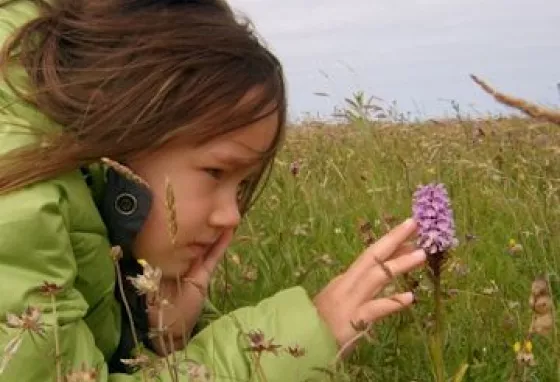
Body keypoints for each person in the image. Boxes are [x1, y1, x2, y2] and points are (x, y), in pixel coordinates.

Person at [0, 0, 427, 381]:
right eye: (215, 171)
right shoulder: (19, 200)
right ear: (125, 125)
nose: (231, 216)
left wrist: (159, 338)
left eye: (241, 186)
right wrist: (302, 337)